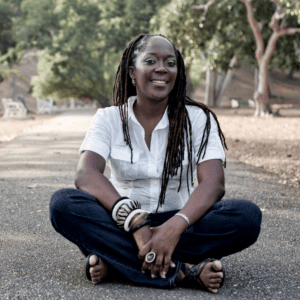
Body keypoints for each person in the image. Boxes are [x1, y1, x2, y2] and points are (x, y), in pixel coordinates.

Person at [50, 34, 262, 294]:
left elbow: (214, 183)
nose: (162, 68)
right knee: (63, 204)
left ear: (177, 72)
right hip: (121, 224)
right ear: (131, 71)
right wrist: (136, 223)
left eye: (170, 63)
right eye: (150, 60)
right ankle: (184, 271)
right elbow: (86, 174)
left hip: (182, 224)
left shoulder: (198, 119)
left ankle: (118, 262)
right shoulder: (108, 119)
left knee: (247, 217)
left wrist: (173, 228)